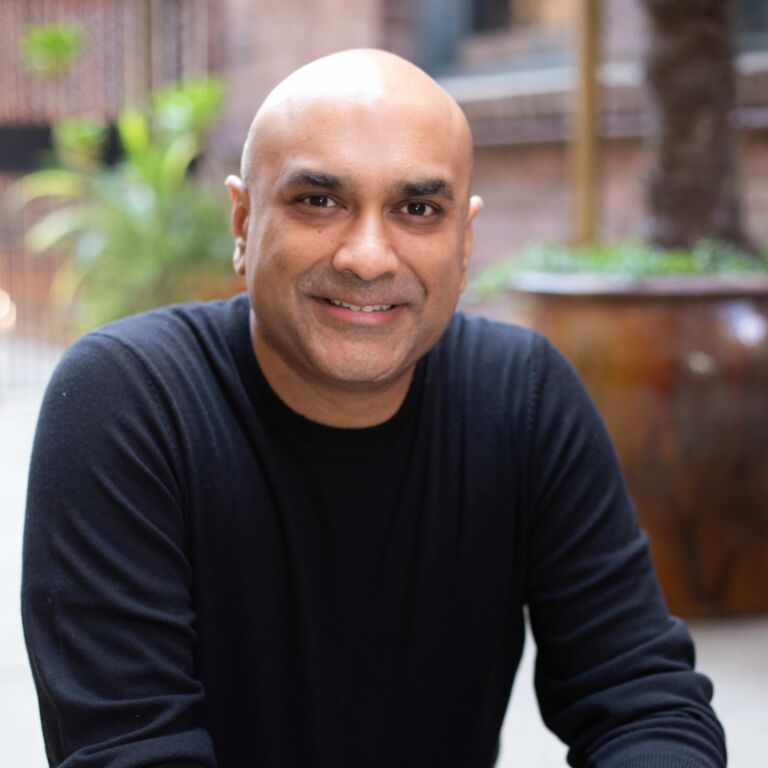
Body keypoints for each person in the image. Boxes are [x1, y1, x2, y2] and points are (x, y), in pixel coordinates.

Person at [22, 49, 725, 768]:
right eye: (318, 201)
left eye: (417, 210)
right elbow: (129, 749)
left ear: (464, 243)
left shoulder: (521, 397)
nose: (367, 257)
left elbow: (645, 701)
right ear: (242, 222)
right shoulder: (130, 402)